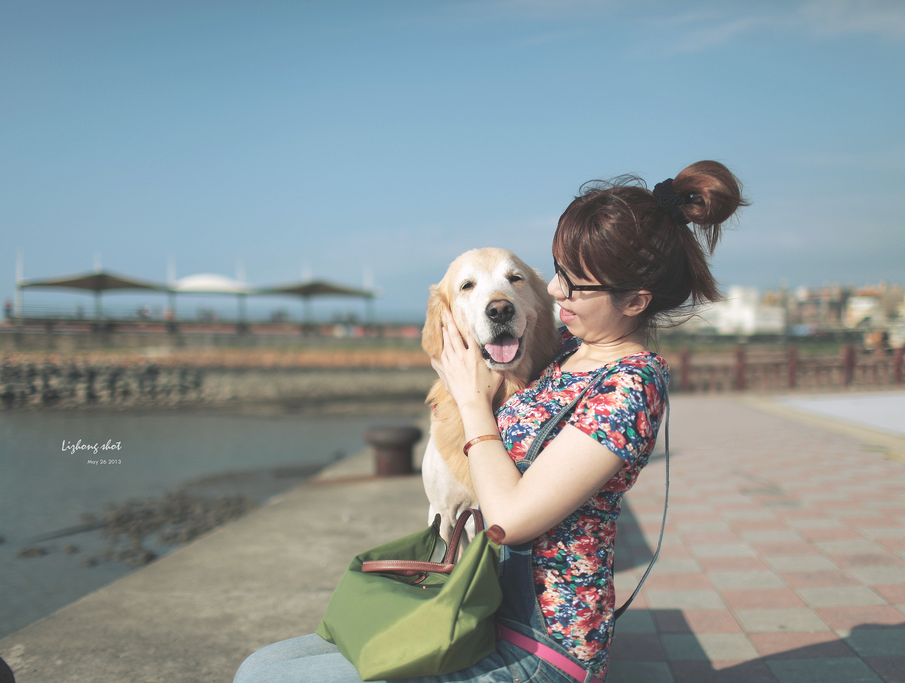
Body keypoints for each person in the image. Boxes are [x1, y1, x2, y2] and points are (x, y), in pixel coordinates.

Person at [233, 161, 747, 683]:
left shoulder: (629, 387)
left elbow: (510, 520)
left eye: (577, 285)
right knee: (264, 664)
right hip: (474, 608)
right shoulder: (563, 351)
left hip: (539, 645)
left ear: (635, 301)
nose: (555, 292)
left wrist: (471, 401)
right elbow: (475, 337)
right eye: (558, 271)